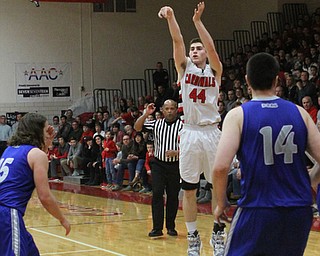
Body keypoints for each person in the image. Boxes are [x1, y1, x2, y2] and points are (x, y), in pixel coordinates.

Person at [212, 52, 320, 256]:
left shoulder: (238, 115)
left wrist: (220, 203)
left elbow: (220, 167)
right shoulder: (300, 112)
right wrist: (310, 182)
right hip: (298, 210)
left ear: (246, 81)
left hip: (258, 208)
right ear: (276, 80)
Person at [158, 2, 223, 255]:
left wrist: (198, 22)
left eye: (199, 49)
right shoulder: (184, 69)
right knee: (189, 189)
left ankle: (218, 232)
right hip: (191, 132)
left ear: (205, 53)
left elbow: (213, 48)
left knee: (217, 188)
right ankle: (193, 237)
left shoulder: (215, 71)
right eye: (193, 49)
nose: (195, 51)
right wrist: (171, 17)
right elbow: (177, 41)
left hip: (212, 132)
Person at [0, 113, 70, 255]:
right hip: (8, 212)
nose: (49, 133)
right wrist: (62, 219)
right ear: (37, 131)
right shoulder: (37, 154)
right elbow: (44, 196)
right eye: (46, 130)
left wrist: (48, 142)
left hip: (5, 212)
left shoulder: (9, 150)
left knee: (31, 251)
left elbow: (34, 154)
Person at [134, 100, 182, 238]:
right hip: (159, 164)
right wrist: (145, 114)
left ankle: (171, 226)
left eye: (172, 108)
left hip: (175, 165)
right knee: (157, 194)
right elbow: (137, 127)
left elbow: (190, 146)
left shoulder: (182, 126)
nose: (169, 111)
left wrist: (177, 152)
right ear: (162, 110)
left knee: (173, 196)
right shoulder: (156, 123)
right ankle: (157, 228)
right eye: (166, 108)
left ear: (176, 109)